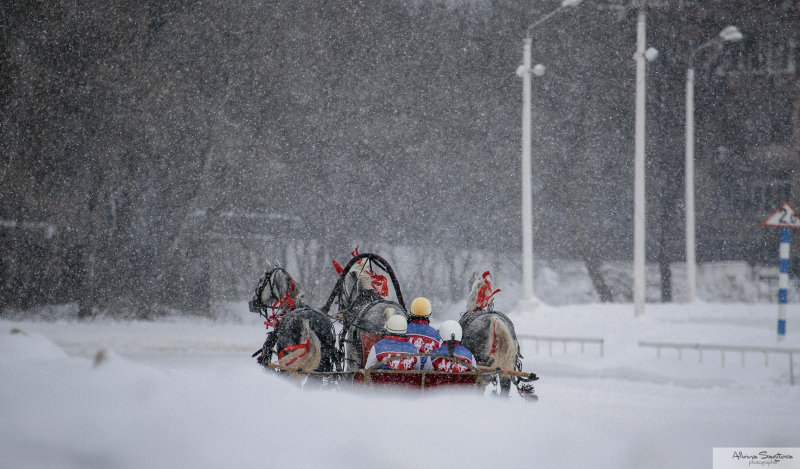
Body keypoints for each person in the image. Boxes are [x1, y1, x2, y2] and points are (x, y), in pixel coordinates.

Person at [406, 297, 442, 368]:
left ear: (411, 311)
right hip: (427, 375)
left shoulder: (404, 330)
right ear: (429, 313)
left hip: (406, 373)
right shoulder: (435, 334)